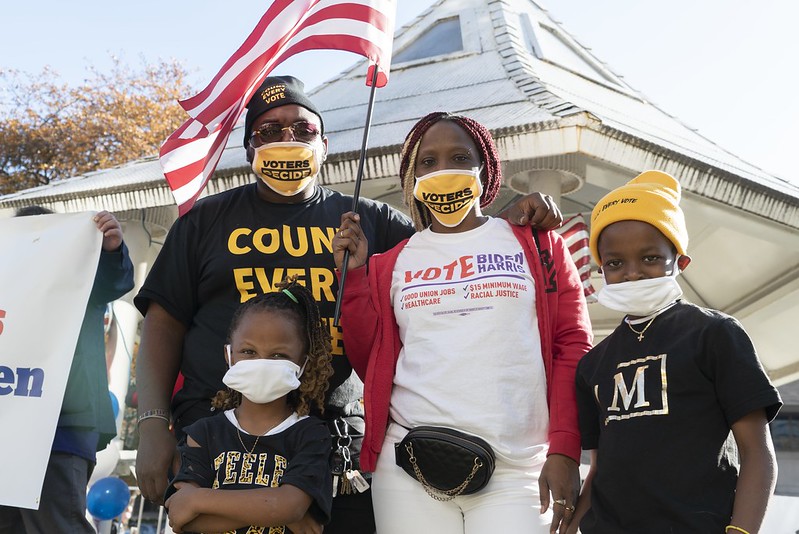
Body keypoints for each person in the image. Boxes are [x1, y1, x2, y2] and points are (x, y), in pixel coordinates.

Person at [134, 76, 563, 533]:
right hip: (218, 440)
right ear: (248, 148)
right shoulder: (204, 221)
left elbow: (452, 248)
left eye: (302, 130)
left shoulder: (372, 220)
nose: (287, 140)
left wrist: (512, 221)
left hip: (338, 451)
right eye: (269, 131)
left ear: (325, 145)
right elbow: (163, 326)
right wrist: (151, 425)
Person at [333, 111, 593, 534]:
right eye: (428, 162)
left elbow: (573, 346)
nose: (443, 171)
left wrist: (564, 448)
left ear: (484, 170)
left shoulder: (538, 244)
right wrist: (358, 277)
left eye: (459, 157)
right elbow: (371, 362)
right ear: (411, 179)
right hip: (409, 466)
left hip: (519, 467)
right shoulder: (388, 265)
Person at [571, 170, 782, 534]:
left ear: (680, 262)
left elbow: (757, 453)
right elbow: (599, 468)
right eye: (615, 263)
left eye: (650, 257)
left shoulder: (715, 334)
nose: (632, 273)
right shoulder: (592, 363)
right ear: (600, 268)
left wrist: (742, 532)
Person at [0, 207, 134, 533]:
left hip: (61, 429)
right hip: (10, 425)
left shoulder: (79, 279)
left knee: (55, 522)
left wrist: (111, 249)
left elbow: (114, 281)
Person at [164, 279, 333, 534]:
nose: (262, 363)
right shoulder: (202, 434)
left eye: (278, 355)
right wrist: (275, 506)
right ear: (228, 355)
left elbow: (292, 508)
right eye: (249, 351)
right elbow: (183, 520)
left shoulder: (311, 435)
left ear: (303, 364)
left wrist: (199, 499)